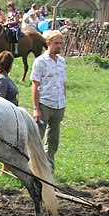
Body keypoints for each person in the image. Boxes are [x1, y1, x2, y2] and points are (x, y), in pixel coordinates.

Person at [31, 30, 67, 170]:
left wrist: (64, 99)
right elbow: (35, 84)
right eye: (56, 43)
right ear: (48, 43)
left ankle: (48, 168)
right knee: (37, 138)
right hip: (44, 103)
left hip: (58, 104)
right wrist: (36, 108)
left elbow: (63, 82)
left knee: (53, 140)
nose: (59, 46)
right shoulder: (40, 61)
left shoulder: (62, 61)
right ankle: (33, 167)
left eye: (60, 43)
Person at [0, 50, 19, 174]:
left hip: (6, 117)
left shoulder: (0, 76)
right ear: (9, 64)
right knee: (1, 146)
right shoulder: (2, 79)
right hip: (3, 119)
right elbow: (0, 99)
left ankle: (2, 171)